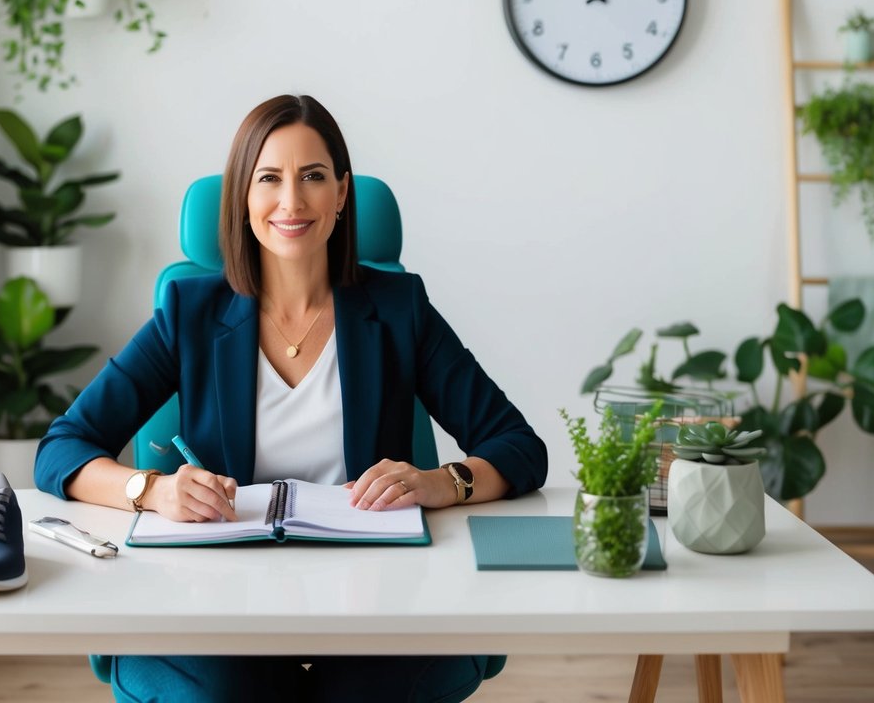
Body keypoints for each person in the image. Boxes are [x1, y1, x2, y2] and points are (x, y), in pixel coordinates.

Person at [35, 93, 548, 702]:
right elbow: (60, 449)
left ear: (341, 193)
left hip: (377, 602)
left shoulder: (399, 308)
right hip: (218, 607)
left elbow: (520, 448)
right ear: (243, 198)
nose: (291, 201)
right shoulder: (189, 312)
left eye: (313, 177)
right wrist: (152, 490)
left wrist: (444, 481)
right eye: (269, 179)